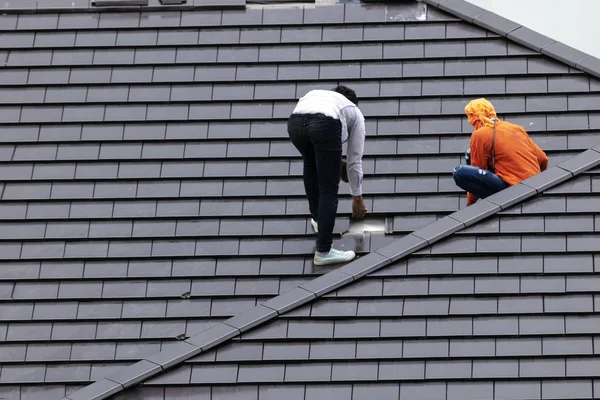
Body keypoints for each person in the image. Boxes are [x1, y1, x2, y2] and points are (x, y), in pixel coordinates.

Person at [287, 85, 367, 266]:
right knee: (328, 188)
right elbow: (354, 161)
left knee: (310, 165)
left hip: (295, 123)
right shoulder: (354, 112)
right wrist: (357, 197)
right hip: (324, 126)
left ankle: (317, 219)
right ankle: (323, 251)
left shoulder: (317, 95)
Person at [453, 98, 549, 206]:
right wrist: (538, 183)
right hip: (534, 188)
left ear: (473, 119)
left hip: (512, 190)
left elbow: (478, 169)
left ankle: (498, 202)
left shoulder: (479, 135)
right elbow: (543, 159)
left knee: (460, 172)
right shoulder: (516, 128)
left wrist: (470, 204)